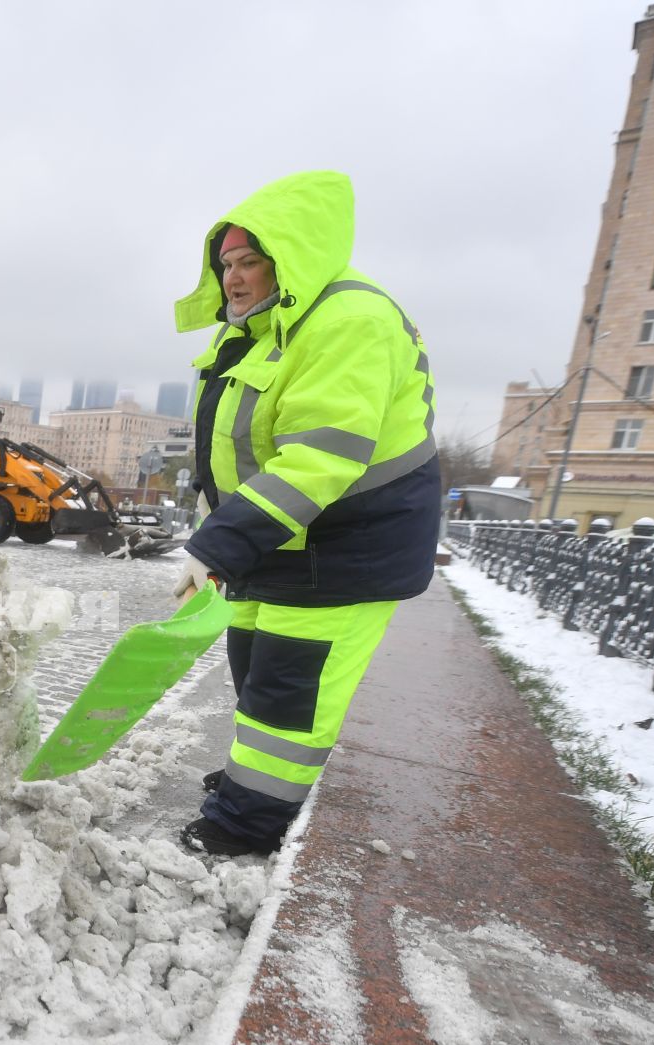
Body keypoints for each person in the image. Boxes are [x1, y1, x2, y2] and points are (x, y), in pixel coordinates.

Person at [170, 171, 441, 859]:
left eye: (248, 261)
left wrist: (221, 544)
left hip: (344, 551)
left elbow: (319, 457)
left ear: (287, 257)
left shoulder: (348, 321)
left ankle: (247, 823)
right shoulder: (264, 334)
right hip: (282, 546)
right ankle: (250, 782)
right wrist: (221, 538)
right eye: (225, 264)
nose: (233, 278)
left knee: (289, 692)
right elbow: (235, 452)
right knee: (252, 663)